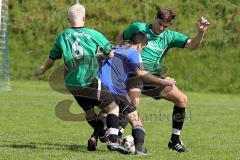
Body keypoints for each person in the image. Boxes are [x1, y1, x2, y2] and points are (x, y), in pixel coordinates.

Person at [36, 3, 130, 154]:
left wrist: (42, 69)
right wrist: (105, 54)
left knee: (89, 112)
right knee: (113, 107)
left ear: (68, 19)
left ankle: (101, 133)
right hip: (89, 80)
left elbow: (52, 58)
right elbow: (110, 53)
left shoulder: (62, 36)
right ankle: (113, 141)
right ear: (84, 18)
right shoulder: (93, 34)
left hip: (72, 83)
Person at [117, 8, 210, 152]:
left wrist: (201, 32)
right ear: (155, 19)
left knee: (182, 99)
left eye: (165, 26)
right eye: (160, 24)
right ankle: (116, 136)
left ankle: (175, 140)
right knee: (133, 103)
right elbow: (120, 39)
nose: (161, 28)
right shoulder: (138, 28)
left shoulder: (169, 36)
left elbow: (192, 45)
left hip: (153, 78)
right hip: (134, 74)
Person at [87, 31, 176, 155]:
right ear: (140, 45)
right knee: (136, 120)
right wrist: (163, 82)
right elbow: (142, 73)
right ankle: (138, 150)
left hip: (99, 87)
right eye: (142, 48)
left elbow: (98, 57)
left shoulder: (115, 47)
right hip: (116, 89)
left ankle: (99, 135)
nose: (141, 51)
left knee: (108, 111)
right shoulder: (135, 52)